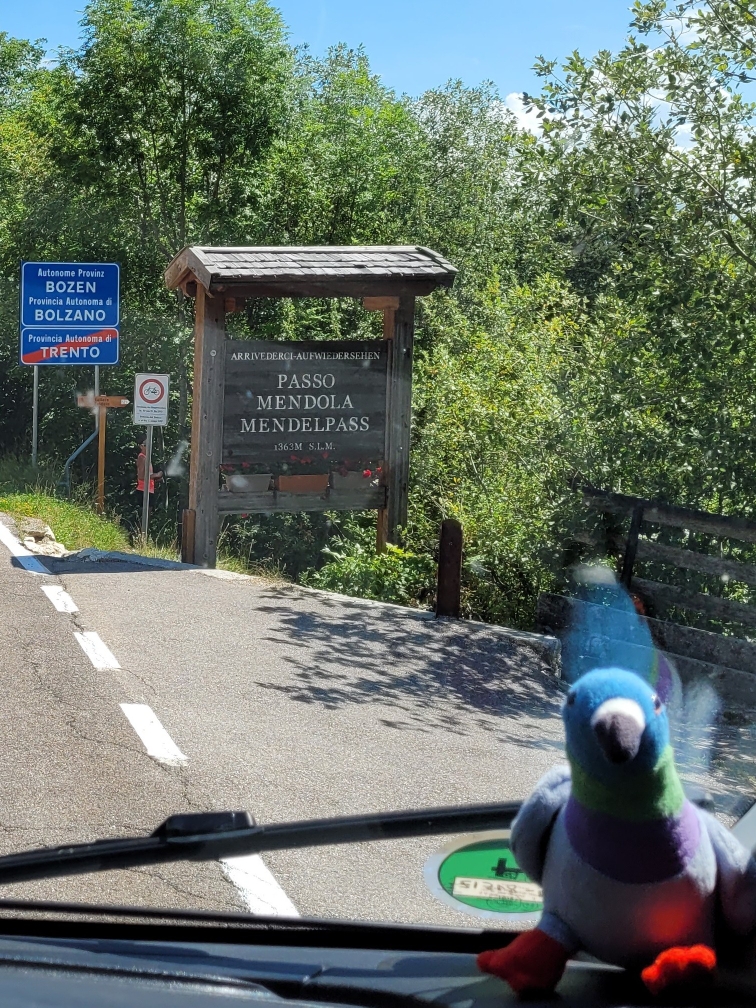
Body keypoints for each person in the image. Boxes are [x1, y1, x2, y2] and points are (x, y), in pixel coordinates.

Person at [136, 439, 163, 511]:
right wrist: (156, 475)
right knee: (145, 515)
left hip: (148, 490)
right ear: (141, 446)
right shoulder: (142, 457)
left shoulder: (146, 458)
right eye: (146, 446)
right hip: (143, 490)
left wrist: (156, 479)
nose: (148, 448)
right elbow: (141, 476)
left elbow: (147, 475)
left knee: (148, 514)